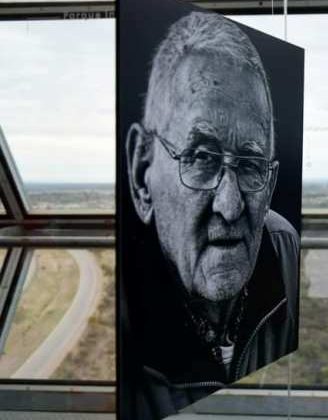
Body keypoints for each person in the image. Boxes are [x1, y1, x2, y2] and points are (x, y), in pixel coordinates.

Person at [123, 11, 299, 418]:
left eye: (251, 163)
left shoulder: (285, 249)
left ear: (270, 185)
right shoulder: (120, 320)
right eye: (201, 157)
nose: (231, 204)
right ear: (140, 173)